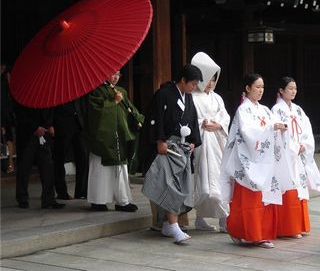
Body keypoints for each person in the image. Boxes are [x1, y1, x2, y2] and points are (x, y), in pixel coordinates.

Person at [220, 73, 289, 249]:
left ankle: (262, 234)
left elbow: (272, 125)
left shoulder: (265, 110)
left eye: (262, 87)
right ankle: (241, 232)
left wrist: (279, 127)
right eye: (257, 87)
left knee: (264, 198)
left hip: (264, 161)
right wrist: (271, 127)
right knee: (247, 200)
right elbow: (247, 132)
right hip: (248, 161)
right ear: (248, 88)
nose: (260, 90)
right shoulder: (243, 110)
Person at [141, 64, 202, 243]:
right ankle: (173, 226)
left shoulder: (188, 98)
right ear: (182, 80)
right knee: (170, 186)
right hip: (167, 146)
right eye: (192, 83)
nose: (194, 87)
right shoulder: (164, 94)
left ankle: (168, 224)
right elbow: (155, 118)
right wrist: (160, 140)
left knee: (182, 185)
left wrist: (193, 141)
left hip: (182, 148)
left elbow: (192, 120)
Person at [271, 77, 320, 238]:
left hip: (299, 153)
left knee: (300, 188)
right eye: (290, 88)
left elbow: (307, 129)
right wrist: (294, 147)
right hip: (287, 156)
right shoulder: (276, 110)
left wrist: (304, 145)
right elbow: (278, 134)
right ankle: (289, 227)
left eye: (295, 88)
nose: (293, 91)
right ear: (281, 90)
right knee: (288, 187)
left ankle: (300, 225)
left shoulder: (298, 110)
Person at [85, 70, 144, 212]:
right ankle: (98, 201)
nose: (115, 77)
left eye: (118, 74)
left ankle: (122, 201)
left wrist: (139, 119)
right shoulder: (96, 91)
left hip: (119, 135)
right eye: (112, 74)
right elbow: (95, 114)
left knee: (120, 169)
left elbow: (129, 108)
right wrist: (113, 102)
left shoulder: (120, 90)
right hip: (103, 138)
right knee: (100, 169)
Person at [191, 52, 230, 232]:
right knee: (205, 182)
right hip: (203, 142)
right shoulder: (192, 96)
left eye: (214, 79)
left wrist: (219, 125)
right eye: (208, 79)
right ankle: (200, 217)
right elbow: (191, 119)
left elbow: (225, 116)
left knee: (220, 179)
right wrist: (203, 123)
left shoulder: (217, 97)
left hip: (217, 142)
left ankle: (223, 218)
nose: (211, 83)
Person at [14, 103, 65, 209]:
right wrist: (35, 128)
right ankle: (22, 197)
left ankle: (48, 198)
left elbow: (49, 110)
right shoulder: (23, 95)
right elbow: (20, 114)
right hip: (27, 135)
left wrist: (49, 124)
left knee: (48, 166)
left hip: (44, 134)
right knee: (24, 166)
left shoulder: (46, 94)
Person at [52, 97, 89, 200]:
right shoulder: (57, 87)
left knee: (83, 154)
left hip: (79, 123)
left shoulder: (76, 84)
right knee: (60, 158)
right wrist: (50, 124)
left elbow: (83, 102)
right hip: (62, 124)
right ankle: (61, 192)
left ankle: (81, 191)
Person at [1, 62, 16, 174]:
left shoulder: (6, 82)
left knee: (8, 138)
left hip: (6, 114)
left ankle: (10, 162)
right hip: (4, 112)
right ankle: (9, 162)